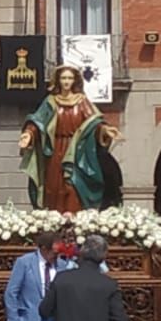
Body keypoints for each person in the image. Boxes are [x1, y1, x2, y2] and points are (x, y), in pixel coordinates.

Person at [18, 64, 122, 213]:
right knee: (53, 185)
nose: (66, 81)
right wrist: (29, 134)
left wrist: (105, 130)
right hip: (55, 150)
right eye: (63, 78)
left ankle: (74, 216)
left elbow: (94, 121)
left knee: (73, 184)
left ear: (75, 81)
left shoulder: (82, 101)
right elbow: (37, 121)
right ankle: (53, 218)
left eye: (69, 78)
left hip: (77, 150)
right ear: (58, 80)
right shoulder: (51, 101)